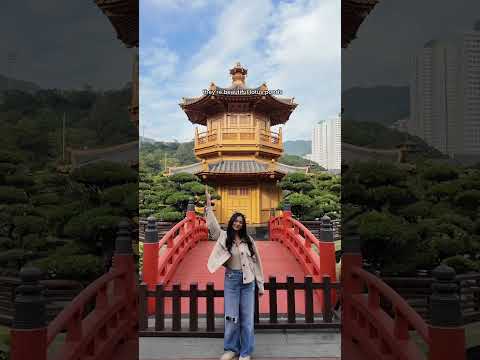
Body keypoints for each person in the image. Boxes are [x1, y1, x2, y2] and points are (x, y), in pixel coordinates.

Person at [205, 186, 265, 360]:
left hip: (248, 282)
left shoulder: (249, 240)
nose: (238, 223)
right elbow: (213, 228)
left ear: (243, 224)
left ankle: (245, 352)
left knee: (247, 319)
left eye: (241, 221)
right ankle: (231, 349)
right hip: (232, 279)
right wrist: (208, 207)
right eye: (235, 220)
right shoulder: (224, 236)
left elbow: (257, 263)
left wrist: (260, 285)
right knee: (231, 316)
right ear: (231, 222)